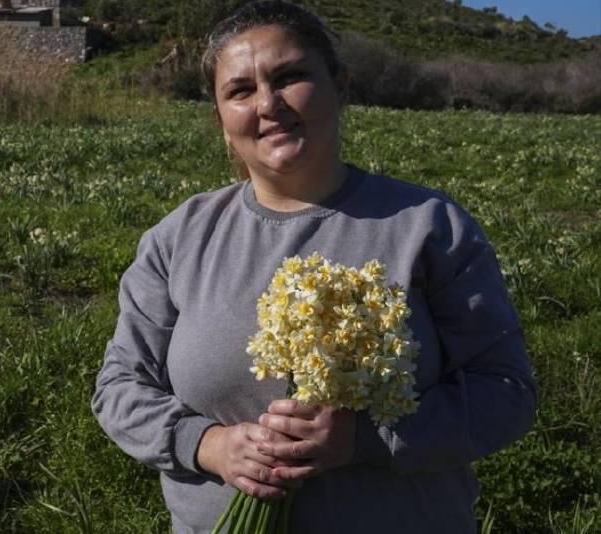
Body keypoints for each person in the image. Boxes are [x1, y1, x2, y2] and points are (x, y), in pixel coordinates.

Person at [89, 2, 536, 533]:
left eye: (291, 77)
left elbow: (507, 393)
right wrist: (210, 445)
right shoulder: (178, 238)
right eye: (240, 91)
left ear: (339, 86)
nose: (268, 104)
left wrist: (362, 439)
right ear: (220, 118)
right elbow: (119, 387)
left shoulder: (429, 226)